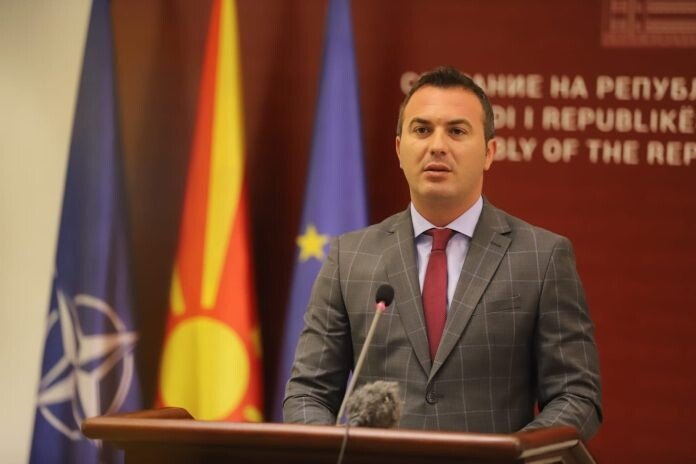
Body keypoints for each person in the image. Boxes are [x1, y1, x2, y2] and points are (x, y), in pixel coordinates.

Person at [283, 66, 602, 439]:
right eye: (422, 130)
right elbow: (308, 393)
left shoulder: (542, 257)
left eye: (456, 131)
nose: (437, 145)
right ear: (399, 149)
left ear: (489, 152)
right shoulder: (349, 257)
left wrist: (513, 456)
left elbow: (576, 396)